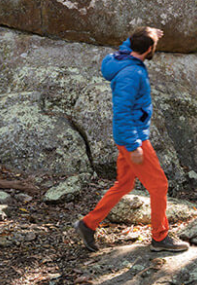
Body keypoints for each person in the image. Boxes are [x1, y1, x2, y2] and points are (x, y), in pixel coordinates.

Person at [75, 27, 189, 253]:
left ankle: (88, 224)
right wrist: (134, 145)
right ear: (148, 49)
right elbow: (122, 112)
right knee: (159, 185)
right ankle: (160, 237)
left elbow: (130, 43)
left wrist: (147, 33)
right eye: (153, 45)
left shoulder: (122, 57)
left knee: (125, 184)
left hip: (128, 137)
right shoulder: (132, 74)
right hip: (133, 138)